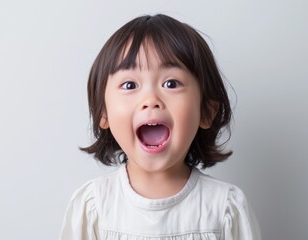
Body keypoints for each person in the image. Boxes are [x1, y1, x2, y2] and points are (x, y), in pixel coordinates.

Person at [59, 14, 261, 240]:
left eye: (171, 83)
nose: (151, 99)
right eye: (129, 84)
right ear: (103, 113)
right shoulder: (93, 206)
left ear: (206, 111)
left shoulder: (225, 208)